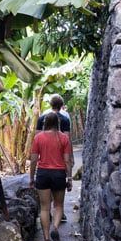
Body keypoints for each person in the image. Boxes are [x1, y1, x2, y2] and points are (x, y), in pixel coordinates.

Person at [29, 113, 73, 241]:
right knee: (59, 206)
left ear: (45, 123)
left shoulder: (38, 137)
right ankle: (55, 227)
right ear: (58, 123)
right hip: (59, 174)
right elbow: (67, 160)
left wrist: (31, 177)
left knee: (44, 208)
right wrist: (69, 178)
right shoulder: (64, 138)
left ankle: (47, 239)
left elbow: (34, 159)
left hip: (43, 174)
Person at [35, 93, 71, 222]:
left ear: (50, 104)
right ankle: (58, 215)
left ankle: (48, 213)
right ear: (61, 105)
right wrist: (69, 166)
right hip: (60, 160)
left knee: (46, 192)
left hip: (44, 162)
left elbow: (37, 138)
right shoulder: (65, 119)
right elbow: (67, 139)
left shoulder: (43, 117)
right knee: (58, 195)